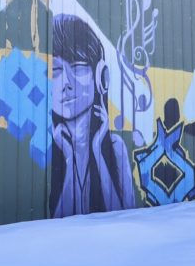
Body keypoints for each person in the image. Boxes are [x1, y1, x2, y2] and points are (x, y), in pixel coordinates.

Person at [50, 14, 135, 218]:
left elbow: (124, 216)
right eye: (56, 71)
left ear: (100, 77)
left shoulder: (115, 148)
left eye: (78, 67)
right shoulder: (49, 150)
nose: (66, 83)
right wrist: (70, 161)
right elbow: (57, 223)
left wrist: (97, 150)